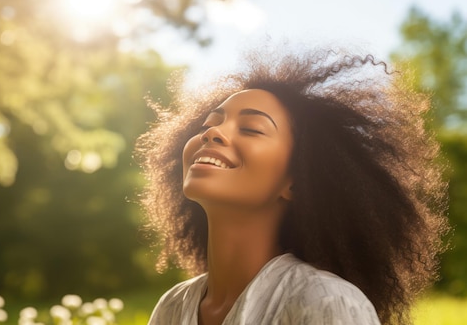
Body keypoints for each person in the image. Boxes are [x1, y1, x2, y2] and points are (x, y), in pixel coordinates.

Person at [135, 47, 449, 325]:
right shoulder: (172, 307)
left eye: (252, 128)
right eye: (210, 123)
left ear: (296, 182)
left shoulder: (327, 302)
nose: (212, 133)